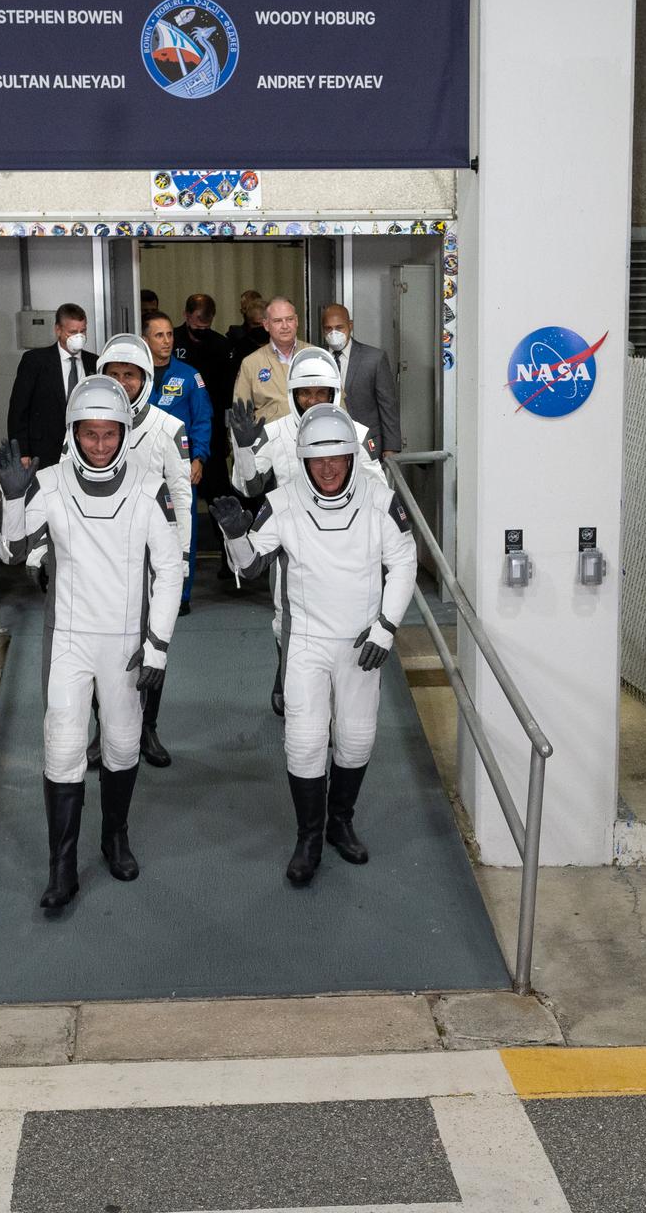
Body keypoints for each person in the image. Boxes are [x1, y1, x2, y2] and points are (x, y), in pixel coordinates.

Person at [0, 376, 182, 910]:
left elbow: (168, 572)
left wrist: (158, 645)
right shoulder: (49, 484)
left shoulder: (148, 487)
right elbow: (11, 553)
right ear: (73, 433)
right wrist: (11, 498)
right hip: (69, 641)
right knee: (64, 745)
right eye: (89, 434)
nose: (100, 445)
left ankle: (115, 836)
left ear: (124, 432)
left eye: (109, 434)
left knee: (122, 744)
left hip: (125, 643)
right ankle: (62, 866)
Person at [212, 404, 417, 886]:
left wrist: (386, 627)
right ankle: (309, 836)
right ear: (303, 460)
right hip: (306, 642)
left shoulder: (379, 499)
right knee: (304, 744)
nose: (328, 468)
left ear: (351, 456)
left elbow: (404, 561)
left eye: (338, 458)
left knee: (356, 737)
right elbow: (248, 564)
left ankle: (340, 820)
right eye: (318, 460)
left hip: (362, 642)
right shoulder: (282, 502)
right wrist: (236, 534)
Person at [228, 347, 385, 717]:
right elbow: (248, 488)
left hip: (345, 550)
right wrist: (244, 447)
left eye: (321, 393)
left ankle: (334, 703)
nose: (313, 401)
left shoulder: (357, 434)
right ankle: (288, 678)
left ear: (334, 393)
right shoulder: (276, 432)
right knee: (287, 621)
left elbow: (379, 493)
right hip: (292, 549)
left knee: (344, 626)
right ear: (293, 393)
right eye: (305, 393)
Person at [73, 333, 192, 769]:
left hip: (152, 559)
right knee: (98, 649)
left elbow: (180, 498)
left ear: (146, 378)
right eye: (114, 374)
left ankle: (146, 729)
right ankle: (103, 730)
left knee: (152, 643)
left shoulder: (167, 428)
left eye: (131, 375)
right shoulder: (82, 425)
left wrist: (179, 561)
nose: (122, 383)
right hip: (99, 559)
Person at [142, 309, 212, 615]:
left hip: (180, 465)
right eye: (159, 335)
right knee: (143, 529)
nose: (167, 341)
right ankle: (146, 589)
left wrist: (199, 457)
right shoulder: (133, 374)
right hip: (142, 466)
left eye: (170, 334)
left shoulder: (189, 375)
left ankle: (181, 595)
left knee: (183, 527)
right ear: (145, 339)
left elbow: (203, 419)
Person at [173, 294, 236, 556]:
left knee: (218, 496)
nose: (201, 328)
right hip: (175, 429)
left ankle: (228, 557)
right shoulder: (172, 340)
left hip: (210, 431)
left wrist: (228, 435)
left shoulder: (221, 345)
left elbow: (230, 394)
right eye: (197, 322)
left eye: (206, 324)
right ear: (187, 315)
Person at [6, 304, 97, 469]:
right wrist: (22, 452)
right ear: (58, 330)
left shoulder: (95, 363)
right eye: (72, 332)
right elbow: (18, 410)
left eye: (82, 331)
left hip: (85, 451)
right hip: (43, 452)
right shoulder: (34, 361)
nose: (79, 337)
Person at [320, 303, 402, 458]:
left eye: (339, 327)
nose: (334, 333)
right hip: (327, 445)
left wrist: (391, 448)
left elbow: (388, 406)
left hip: (366, 445)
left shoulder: (374, 358)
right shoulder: (316, 359)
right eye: (328, 329)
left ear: (350, 325)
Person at [233, 296, 306, 426]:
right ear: (266, 325)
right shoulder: (251, 363)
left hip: (310, 438)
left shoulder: (316, 356)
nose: (285, 326)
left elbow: (337, 405)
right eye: (277, 321)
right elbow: (240, 415)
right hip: (269, 442)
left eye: (289, 319)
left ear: (296, 321)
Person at [231, 298, 269, 367]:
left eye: (265, 323)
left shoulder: (281, 346)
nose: (261, 327)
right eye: (257, 324)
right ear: (249, 323)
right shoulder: (241, 349)